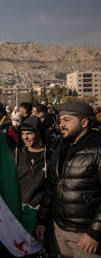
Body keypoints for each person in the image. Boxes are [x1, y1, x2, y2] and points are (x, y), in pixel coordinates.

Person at [36, 101, 101, 257]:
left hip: (85, 237)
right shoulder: (60, 150)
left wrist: (94, 232)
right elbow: (51, 188)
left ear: (84, 122)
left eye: (67, 120)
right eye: (60, 120)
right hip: (58, 231)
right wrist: (42, 221)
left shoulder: (97, 150)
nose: (61, 125)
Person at [13, 116, 52, 207]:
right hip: (16, 206)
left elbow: (53, 186)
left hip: (37, 209)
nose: (25, 137)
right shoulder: (16, 153)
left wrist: (45, 203)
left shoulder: (50, 156)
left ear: (38, 133)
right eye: (23, 133)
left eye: (29, 133)